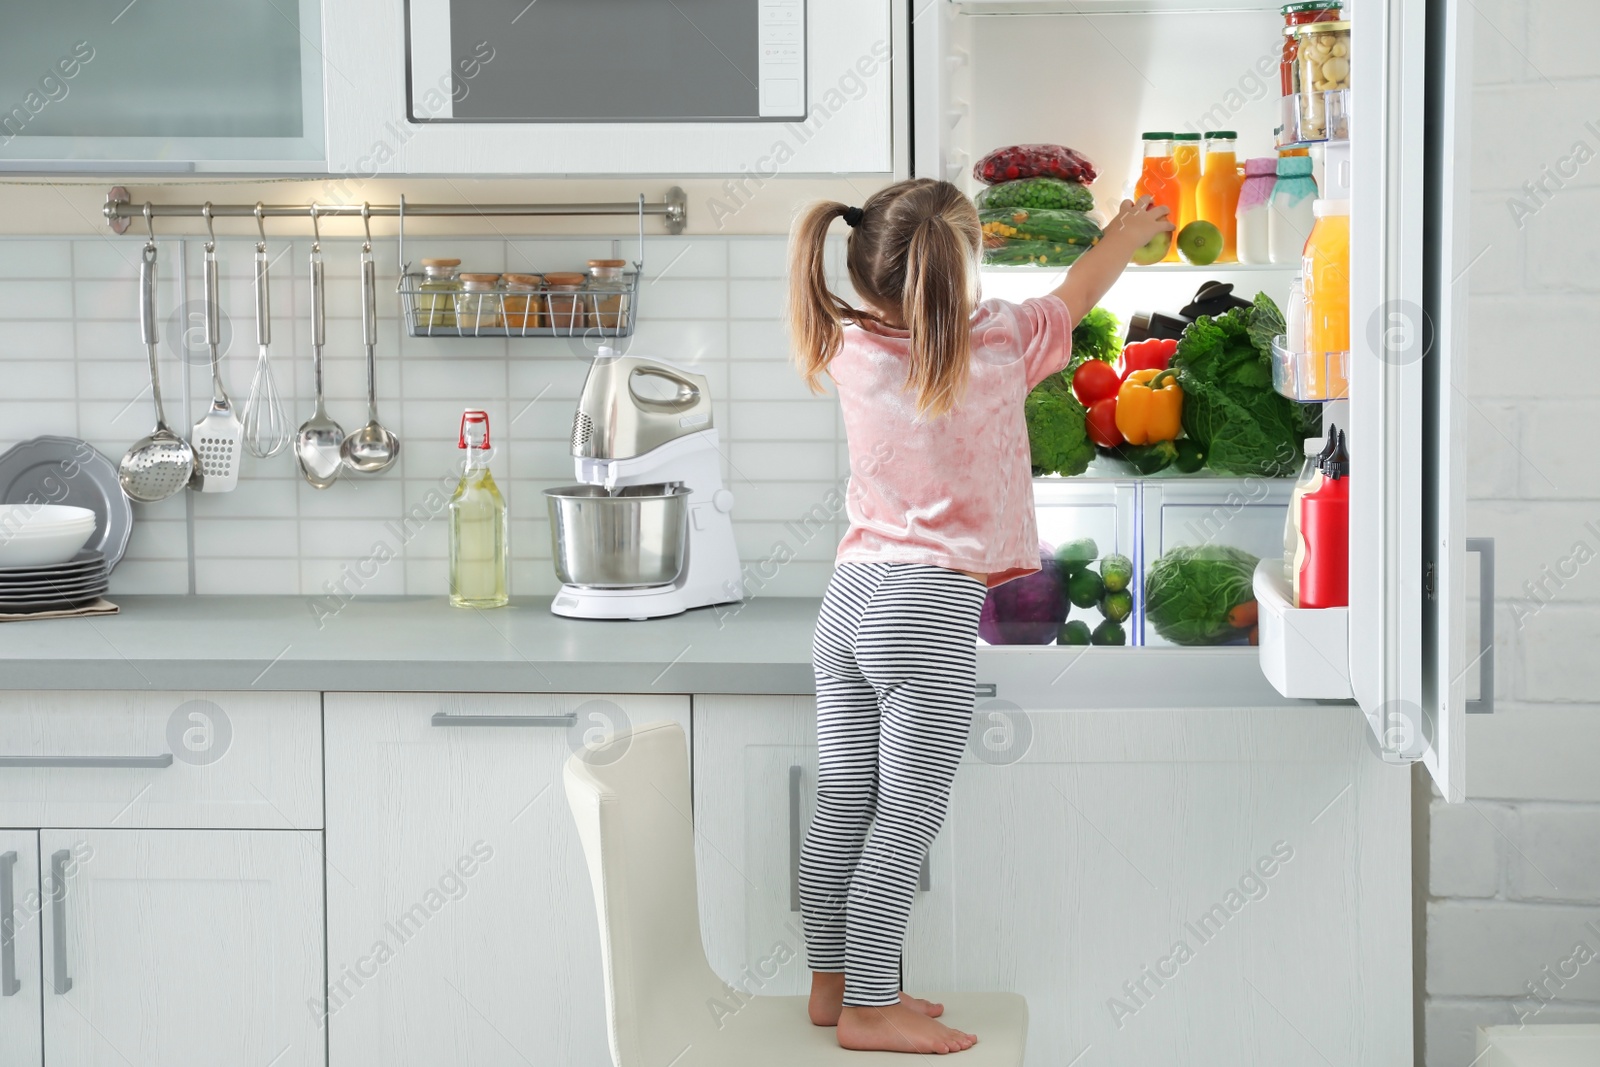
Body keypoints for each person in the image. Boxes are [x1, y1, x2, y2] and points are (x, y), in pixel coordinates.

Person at [787, 178, 1171, 1054]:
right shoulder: (992, 342)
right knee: (905, 816)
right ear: (956, 272)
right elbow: (1076, 296)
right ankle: (871, 1007)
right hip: (924, 611)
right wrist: (1124, 230)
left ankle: (832, 982)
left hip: (848, 599)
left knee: (845, 801)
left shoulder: (842, 338)